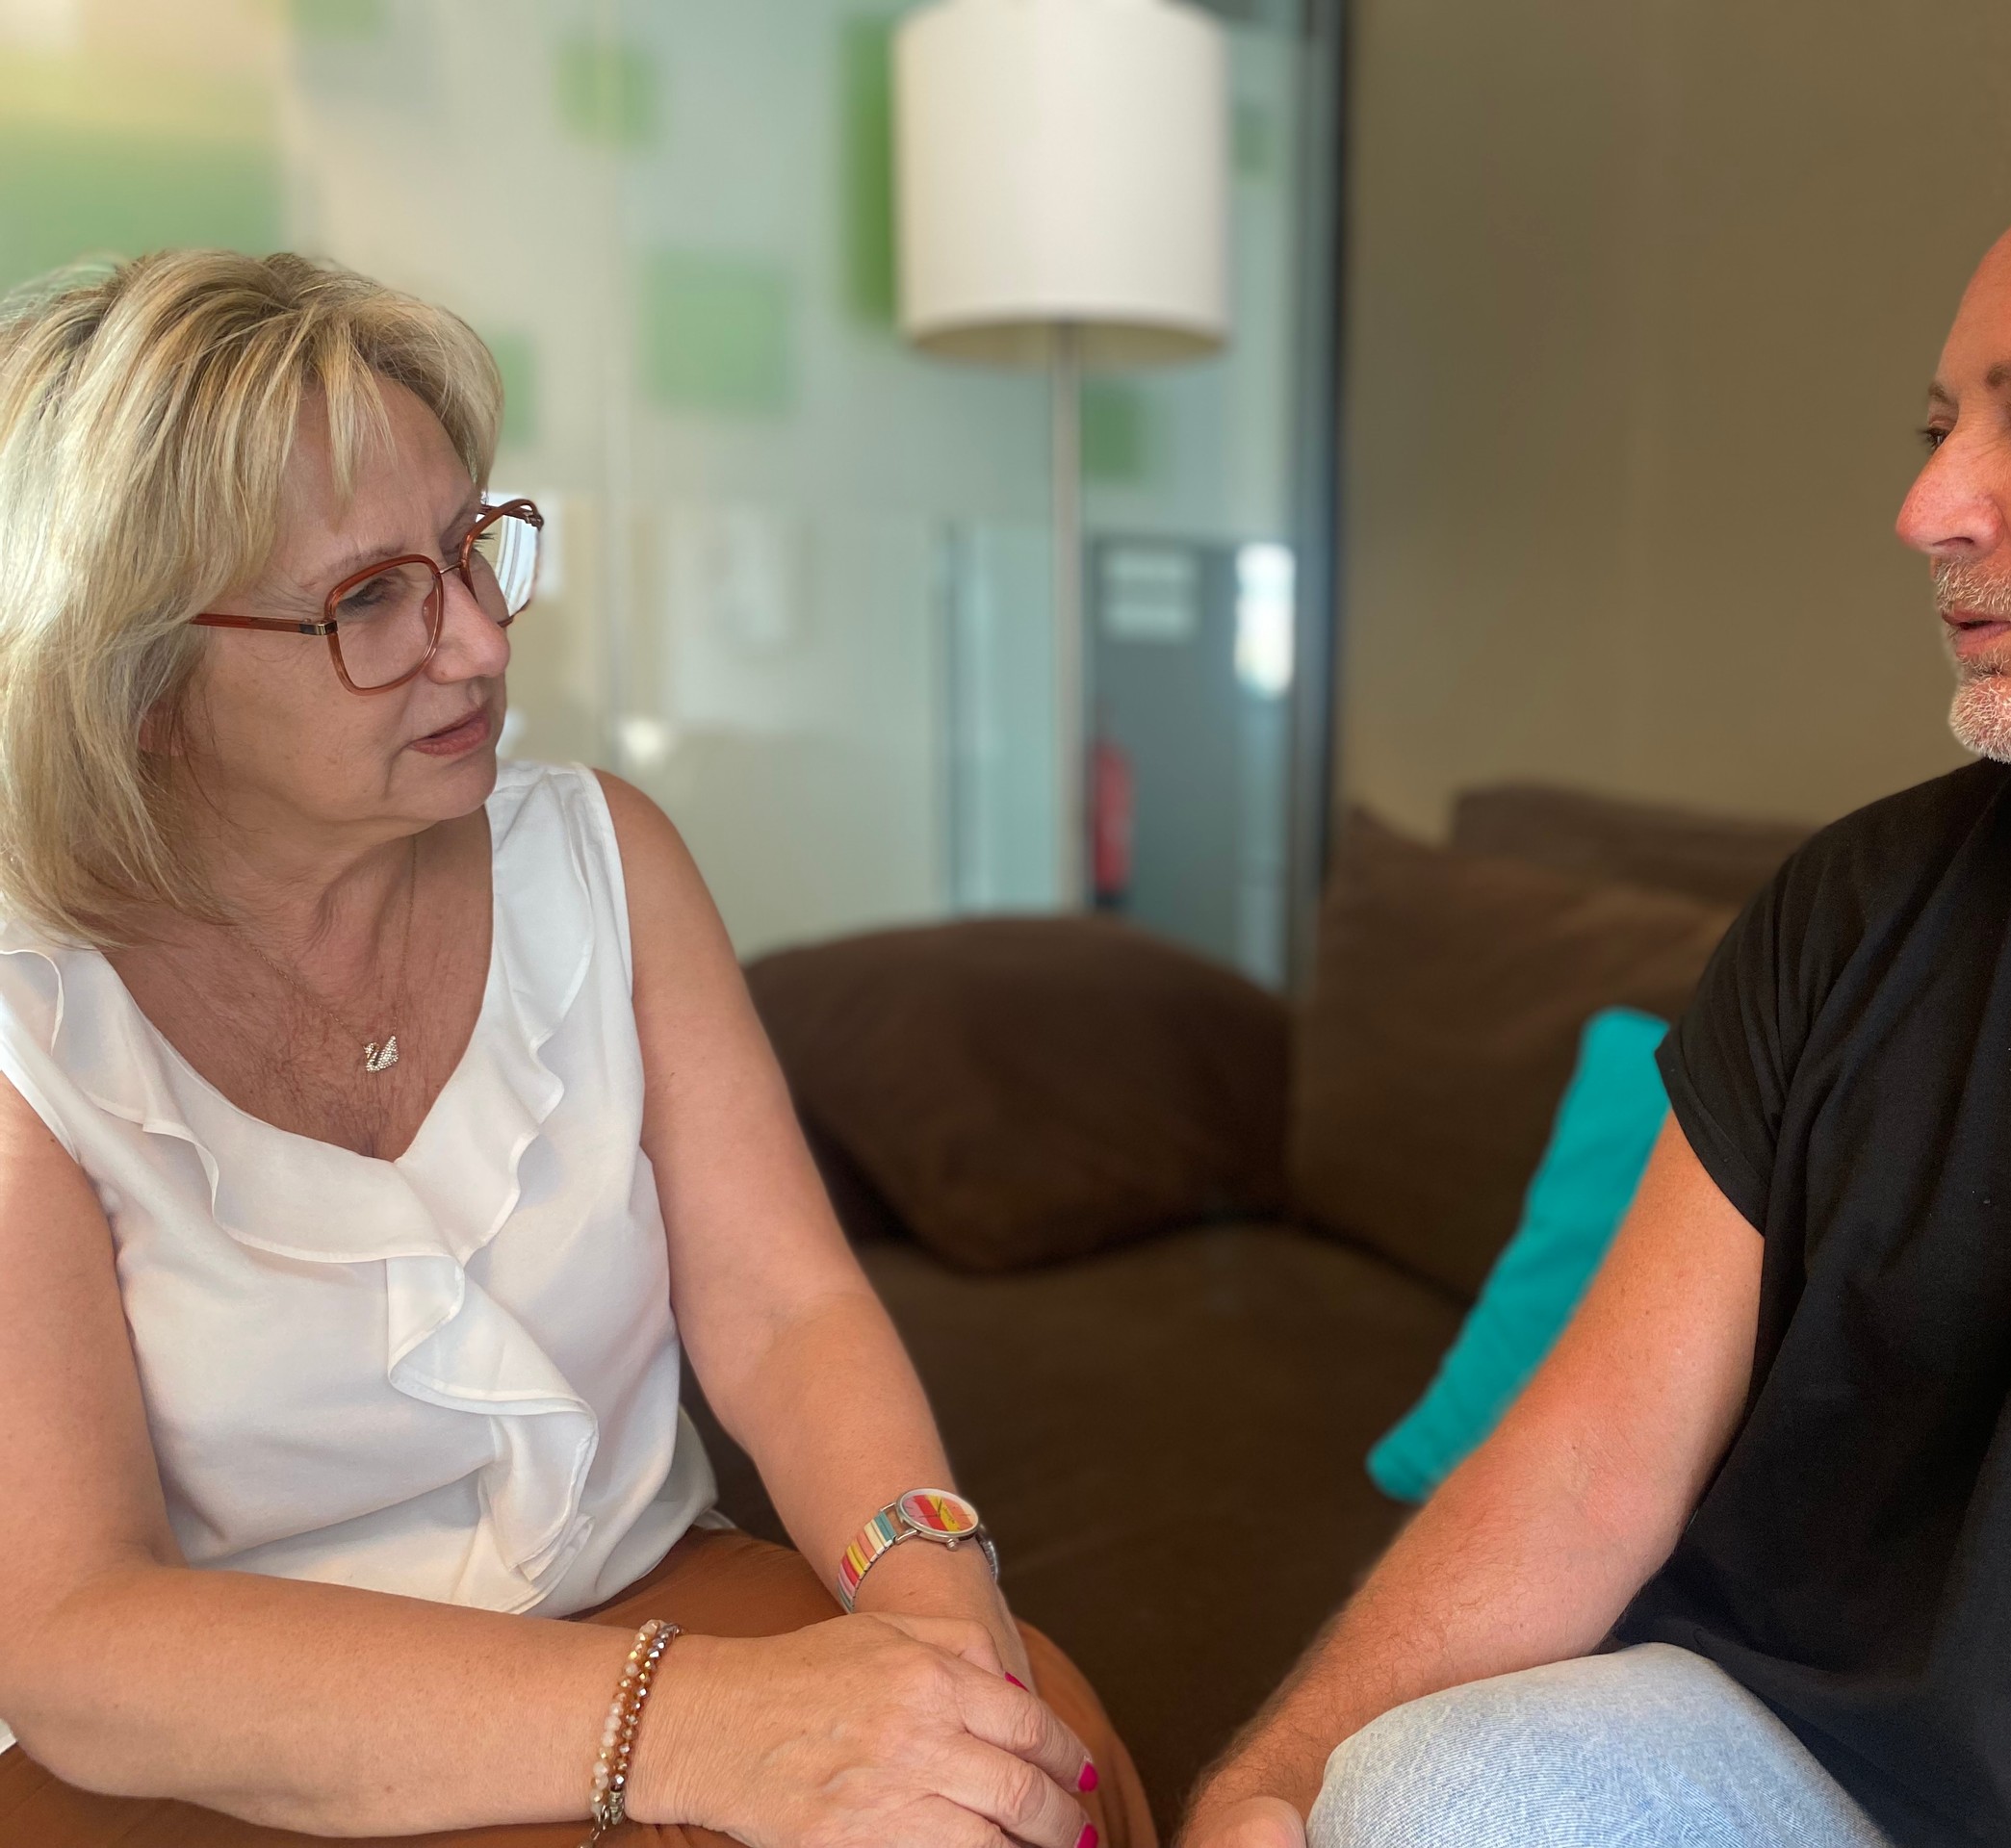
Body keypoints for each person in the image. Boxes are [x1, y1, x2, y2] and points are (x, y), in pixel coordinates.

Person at [1182, 38, 2011, 1848]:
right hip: (1785, 1769)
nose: (1929, 506)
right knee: (1427, 1790)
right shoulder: (1864, 907)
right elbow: (1581, 1466)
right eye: (1941, 423)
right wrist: (1261, 1786)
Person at [0, 249, 1155, 1848]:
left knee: (1028, 1785)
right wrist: (693, 1732)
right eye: (372, 598)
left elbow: (785, 1306)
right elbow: (74, 1637)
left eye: (471, 550)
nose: (477, 641)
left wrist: (942, 1614)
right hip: (226, 1731)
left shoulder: (602, 854)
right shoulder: (26, 1023)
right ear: (138, 687)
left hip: (642, 1590)